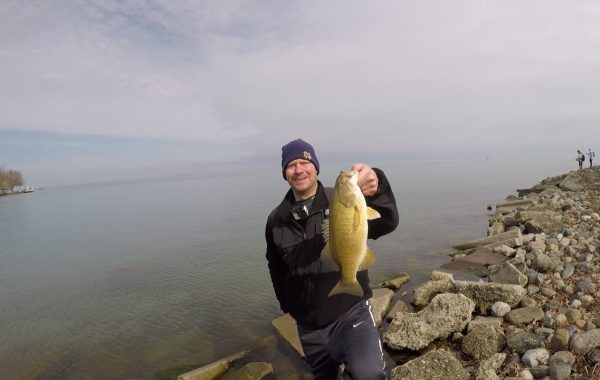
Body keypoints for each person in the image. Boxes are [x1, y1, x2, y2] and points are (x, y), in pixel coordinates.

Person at [265, 139, 399, 380]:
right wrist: (288, 307)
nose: (299, 169)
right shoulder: (276, 219)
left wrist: (376, 184)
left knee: (369, 376)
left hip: (351, 314)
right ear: (285, 173)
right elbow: (275, 266)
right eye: (291, 165)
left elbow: (388, 222)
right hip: (308, 329)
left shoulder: (339, 199)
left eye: (305, 162)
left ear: (316, 167)